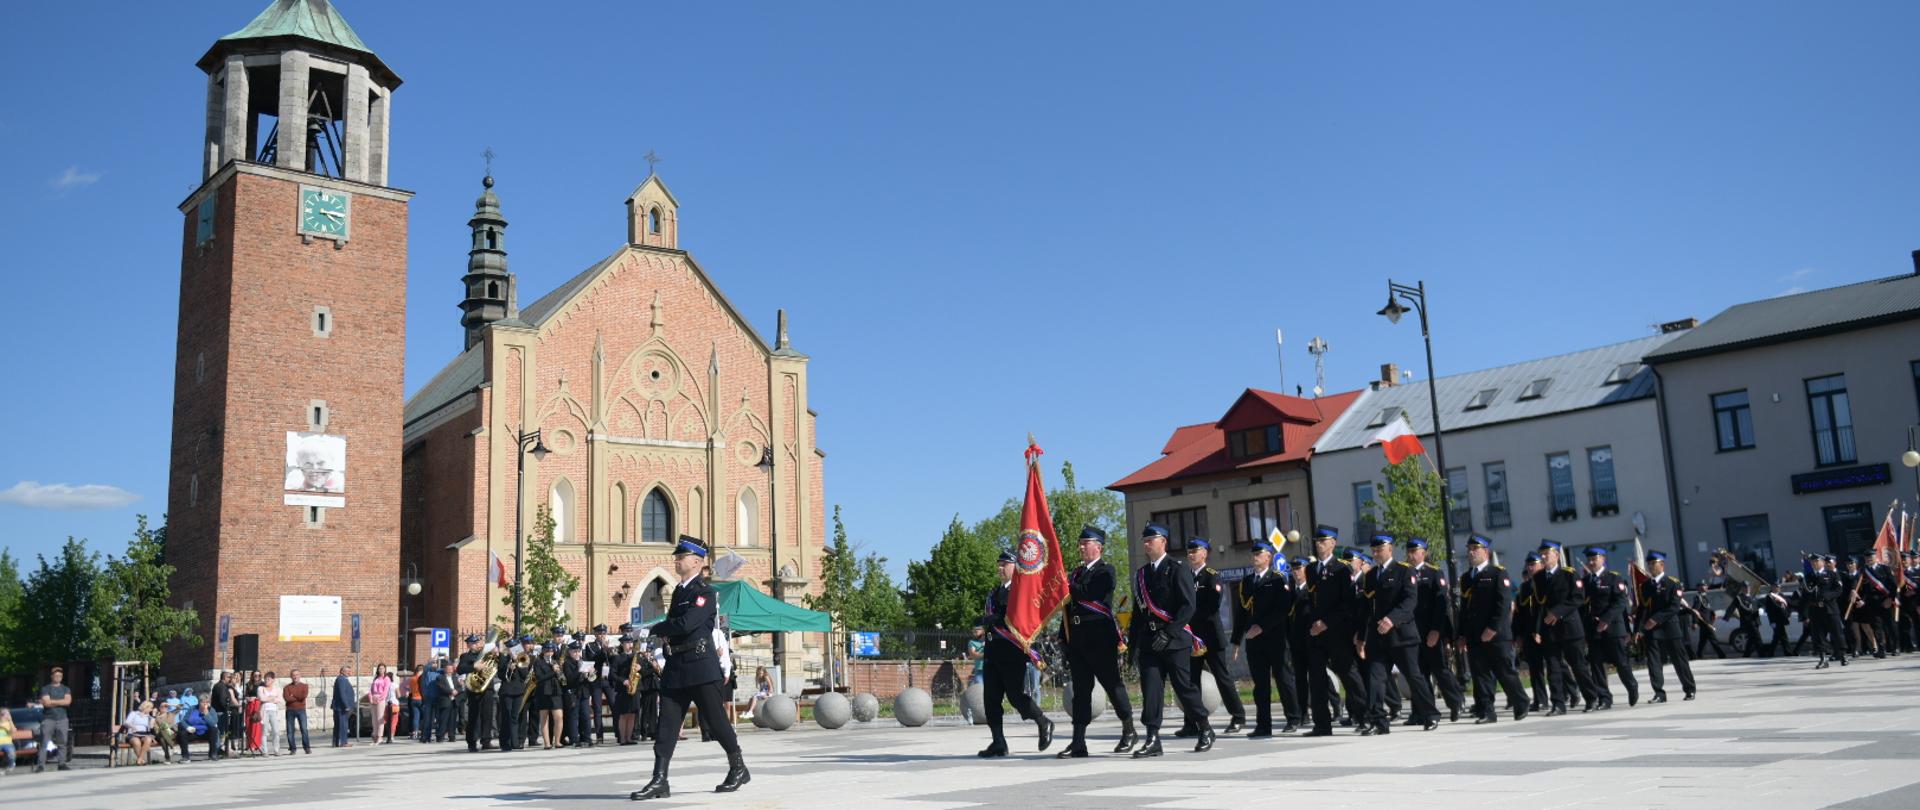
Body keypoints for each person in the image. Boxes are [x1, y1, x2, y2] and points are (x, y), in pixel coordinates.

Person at [629, 535, 749, 800]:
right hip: (676, 666)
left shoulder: (705, 592)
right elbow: (675, 627)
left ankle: (738, 767)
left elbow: (686, 624)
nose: (677, 560)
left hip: (700, 665)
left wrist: (653, 628)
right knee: (667, 725)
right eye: (677, 557)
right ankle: (660, 779)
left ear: (696, 562)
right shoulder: (680, 592)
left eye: (681, 557)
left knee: (716, 721)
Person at [1127, 524, 1211, 756]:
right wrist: (1133, 646)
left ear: (1163, 541)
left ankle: (1204, 727)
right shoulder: (1142, 574)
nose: (1146, 544)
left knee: (1183, 687)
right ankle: (1153, 738)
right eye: (1144, 541)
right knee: (1151, 690)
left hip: (1174, 641)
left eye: (1151, 540)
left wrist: (1169, 632)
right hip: (1150, 641)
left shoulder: (1177, 569)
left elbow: (1188, 606)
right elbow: (1138, 613)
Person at [1057, 526, 1137, 756]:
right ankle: (1078, 741)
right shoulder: (1075, 574)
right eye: (1080, 543)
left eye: (1086, 543)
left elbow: (1088, 593)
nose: (1081, 547)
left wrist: (1065, 584)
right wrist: (1063, 637)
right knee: (1081, 691)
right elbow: (1068, 609)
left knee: (1112, 685)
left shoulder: (1106, 571)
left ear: (1098, 547)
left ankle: (1129, 728)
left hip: (1100, 638)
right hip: (1078, 638)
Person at [1355, 534, 1439, 735]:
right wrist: (1361, 636)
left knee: (1413, 676)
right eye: (1373, 550)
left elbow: (1410, 602)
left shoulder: (1404, 570)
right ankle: (1378, 721)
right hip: (1378, 637)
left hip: (1402, 636)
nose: (1376, 553)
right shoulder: (1371, 575)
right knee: (1375, 678)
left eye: (1380, 549)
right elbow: (1366, 608)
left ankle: (1430, 714)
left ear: (1390, 549)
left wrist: (1392, 619)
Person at [976, 549, 1055, 758]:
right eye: (999, 564)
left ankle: (1043, 721)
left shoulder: (1020, 591)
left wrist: (994, 619)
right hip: (992, 652)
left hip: (1012, 652)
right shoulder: (994, 592)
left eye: (1005, 564)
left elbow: (1016, 617)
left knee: (1016, 696)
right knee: (990, 700)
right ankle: (998, 742)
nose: (1000, 568)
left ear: (1016, 567)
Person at [1175, 538, 1245, 737]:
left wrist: (1187, 617)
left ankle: (1238, 716)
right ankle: (1192, 723)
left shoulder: (1212, 576)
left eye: (1195, 551)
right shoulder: (1185, 577)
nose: (1191, 555)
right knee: (1191, 682)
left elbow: (1212, 605)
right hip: (1191, 637)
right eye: (1189, 552)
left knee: (1222, 678)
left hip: (1210, 637)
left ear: (1204, 553)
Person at [1301, 526, 1366, 737]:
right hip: (1316, 633)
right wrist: (1314, 624)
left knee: (1348, 674)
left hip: (1337, 631)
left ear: (1333, 543)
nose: (1319, 544)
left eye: (1323, 541)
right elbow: (1312, 601)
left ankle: (1366, 717)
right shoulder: (1311, 569)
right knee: (1316, 678)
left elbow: (1348, 604)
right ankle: (1322, 724)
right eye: (1317, 541)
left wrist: (1326, 623)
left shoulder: (1342, 569)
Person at [1457, 535, 1529, 723]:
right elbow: (1464, 609)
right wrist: (1461, 634)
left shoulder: (1498, 573)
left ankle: (1521, 702)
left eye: (1475, 549)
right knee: (1480, 675)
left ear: (1486, 552)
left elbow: (1503, 605)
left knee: (1504, 672)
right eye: (1469, 549)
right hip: (1474, 635)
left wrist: (1492, 628)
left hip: (1496, 635)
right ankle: (1487, 711)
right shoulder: (1466, 578)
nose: (1471, 552)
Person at [1231, 539, 1299, 737]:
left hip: (1275, 639)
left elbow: (1283, 609)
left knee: (1283, 679)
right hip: (1254, 642)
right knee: (1260, 685)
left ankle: (1293, 718)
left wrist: (1261, 627)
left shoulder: (1278, 579)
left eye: (1258, 554)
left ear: (1268, 556)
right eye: (1253, 554)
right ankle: (1263, 725)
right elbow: (1241, 613)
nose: (1255, 557)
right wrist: (1236, 640)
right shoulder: (1247, 582)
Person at [1405, 537, 1464, 724]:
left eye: (1414, 551)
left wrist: (1437, 630)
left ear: (1424, 553)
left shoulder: (1433, 573)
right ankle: (1422, 711)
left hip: (1430, 630)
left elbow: (1441, 605)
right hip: (1411, 632)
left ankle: (1456, 703)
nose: (1411, 555)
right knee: (1418, 673)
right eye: (1409, 552)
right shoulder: (1404, 572)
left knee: (1440, 670)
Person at [1634, 551, 1697, 700]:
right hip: (1651, 629)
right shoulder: (1644, 586)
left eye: (1653, 563)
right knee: (1654, 662)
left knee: (1679, 660)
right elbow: (1641, 609)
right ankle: (1659, 693)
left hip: (1670, 627)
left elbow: (1674, 607)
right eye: (1649, 564)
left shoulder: (1673, 583)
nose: (1650, 566)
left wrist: (1655, 619)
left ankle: (1689, 689)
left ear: (1662, 565)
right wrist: (1637, 629)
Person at [1581, 547, 1639, 707]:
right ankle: (1604, 698)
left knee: (1620, 662)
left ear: (1603, 559)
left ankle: (1631, 685)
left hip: (1613, 628)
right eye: (1589, 559)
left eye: (1594, 559)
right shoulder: (1585, 581)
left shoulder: (1613, 578)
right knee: (1596, 664)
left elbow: (1620, 602)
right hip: (1593, 629)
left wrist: (1605, 620)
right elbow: (1582, 606)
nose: (1591, 562)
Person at [1514, 553, 1549, 711]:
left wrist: (1539, 630)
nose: (1530, 567)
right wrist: (1518, 634)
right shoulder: (1525, 587)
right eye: (1528, 565)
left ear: (1541, 564)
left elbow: (1545, 609)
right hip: (1529, 633)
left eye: (1533, 564)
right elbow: (1519, 614)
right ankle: (1540, 699)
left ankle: (1570, 691)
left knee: (1556, 665)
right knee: (1535, 669)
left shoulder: (1547, 581)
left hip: (1545, 630)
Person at [1805, 554, 1850, 668]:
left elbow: (1839, 590)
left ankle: (1843, 656)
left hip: (1830, 608)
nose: (1814, 563)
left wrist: (1827, 596)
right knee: (1819, 635)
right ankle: (1823, 659)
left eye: (1816, 561)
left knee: (1837, 633)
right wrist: (1805, 612)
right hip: (1816, 610)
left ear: (1822, 562)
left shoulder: (1831, 574)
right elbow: (1806, 594)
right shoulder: (1809, 576)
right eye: (1812, 562)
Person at [34, 667, 74, 772]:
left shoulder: (66, 689)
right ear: (51, 676)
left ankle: (62, 763)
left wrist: (52, 701)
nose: (58, 677)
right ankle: (41, 765)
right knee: (44, 742)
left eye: (60, 676)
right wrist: (61, 701)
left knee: (63, 742)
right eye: (56, 675)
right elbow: (46, 703)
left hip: (62, 718)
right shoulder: (46, 689)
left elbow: (68, 702)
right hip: (48, 719)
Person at [1723, 582, 1765, 657]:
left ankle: (1746, 655)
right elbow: (1731, 607)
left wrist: (1761, 609)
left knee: (1751, 639)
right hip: (1748, 621)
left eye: (1748, 587)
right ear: (1742, 588)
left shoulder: (1752, 597)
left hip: (1756, 620)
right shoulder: (1739, 598)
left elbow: (1759, 605)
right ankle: (1762, 654)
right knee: (1757, 637)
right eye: (1745, 587)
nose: (1747, 589)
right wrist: (1726, 617)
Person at [284, 669, 313, 754]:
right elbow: (287, 698)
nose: (295, 676)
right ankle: (292, 749)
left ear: (300, 676)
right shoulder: (287, 687)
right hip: (290, 710)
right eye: (293, 675)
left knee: (304, 729)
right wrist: (297, 697)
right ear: (291, 676)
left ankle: (307, 747)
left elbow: (303, 696)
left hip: (301, 710)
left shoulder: (305, 686)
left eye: (297, 675)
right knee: (290, 731)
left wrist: (292, 695)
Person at [257, 671, 285, 757]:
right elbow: (261, 698)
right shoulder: (261, 688)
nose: (266, 680)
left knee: (276, 731)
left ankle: (276, 750)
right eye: (265, 679)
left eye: (268, 679)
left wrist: (268, 698)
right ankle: (265, 751)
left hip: (274, 711)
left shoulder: (277, 689)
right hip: (264, 711)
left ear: (273, 680)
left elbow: (279, 699)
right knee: (264, 732)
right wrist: (272, 698)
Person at [122, 700, 157, 765]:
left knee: (148, 739)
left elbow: (151, 726)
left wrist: (153, 716)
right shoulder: (134, 713)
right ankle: (141, 760)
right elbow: (126, 723)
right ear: (145, 707)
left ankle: (139, 759)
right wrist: (132, 727)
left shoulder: (149, 717)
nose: (151, 710)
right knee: (136, 741)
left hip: (143, 734)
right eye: (150, 708)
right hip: (133, 734)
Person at [330, 667, 356, 747]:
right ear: (342, 671)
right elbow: (342, 693)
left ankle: (336, 742)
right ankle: (343, 742)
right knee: (343, 725)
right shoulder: (342, 680)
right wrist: (346, 705)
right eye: (347, 671)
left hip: (339, 707)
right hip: (342, 707)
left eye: (350, 671)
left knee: (338, 725)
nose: (349, 673)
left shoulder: (341, 679)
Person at [1, 707, 21, 772]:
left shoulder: (9, 723)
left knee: (11, 753)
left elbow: (13, 731)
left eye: (8, 714)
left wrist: (10, 721)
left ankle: (10, 766)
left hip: (7, 743)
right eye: (5, 714)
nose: (8, 715)